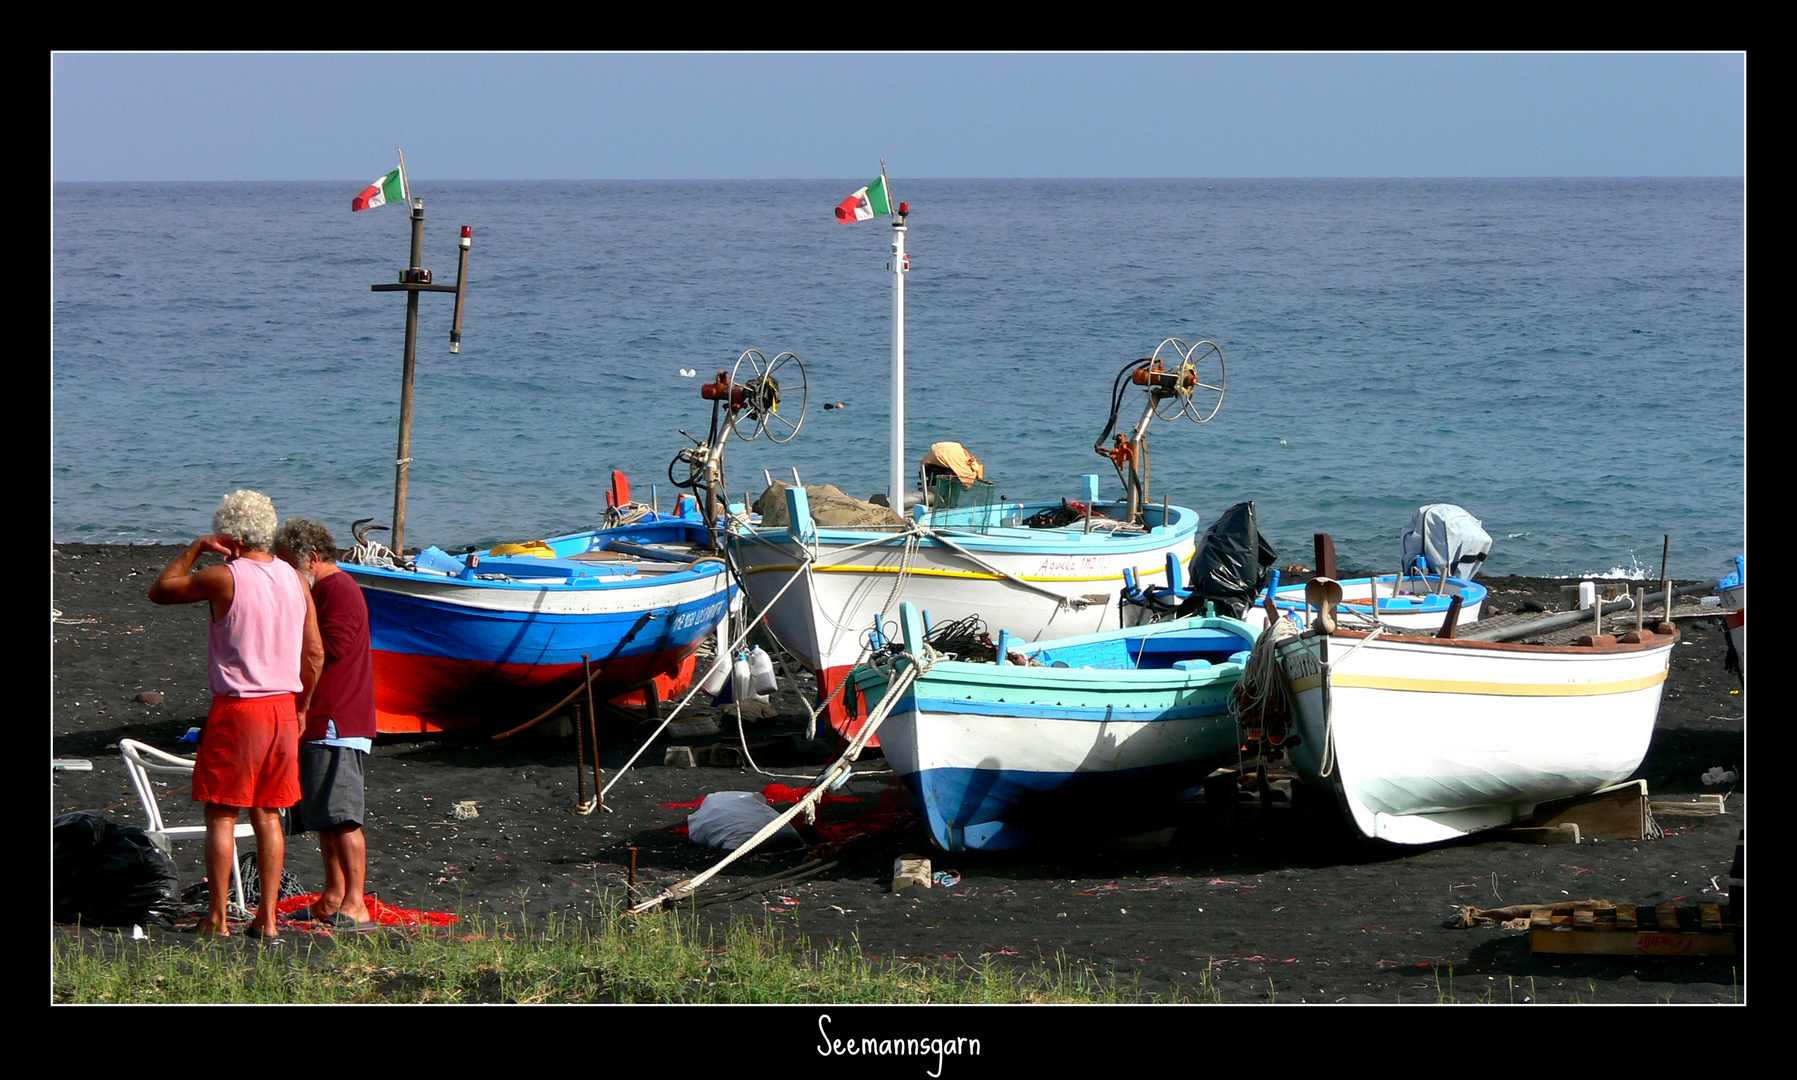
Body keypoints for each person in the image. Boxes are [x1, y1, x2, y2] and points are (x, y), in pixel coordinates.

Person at [148, 490, 323, 938]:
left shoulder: (225, 577)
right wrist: (302, 708)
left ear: (231, 535)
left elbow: (161, 590)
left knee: (223, 813)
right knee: (269, 813)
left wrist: (195, 548)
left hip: (240, 707)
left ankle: (219, 916)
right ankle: (267, 917)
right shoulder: (295, 579)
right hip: (284, 705)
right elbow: (316, 653)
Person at [274, 517, 379, 931]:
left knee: (343, 815)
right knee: (325, 817)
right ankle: (334, 895)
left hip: (338, 715)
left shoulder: (339, 589)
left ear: (312, 559)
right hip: (323, 717)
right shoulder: (330, 590)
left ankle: (355, 901)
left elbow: (331, 647)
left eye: (290, 567)